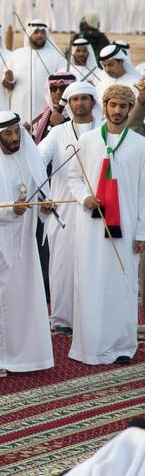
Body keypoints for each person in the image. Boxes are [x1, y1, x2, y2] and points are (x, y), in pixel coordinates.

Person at [68, 85, 145, 365]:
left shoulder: (140, 145)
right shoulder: (87, 141)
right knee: (90, 282)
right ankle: (89, 346)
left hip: (124, 228)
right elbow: (73, 178)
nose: (117, 111)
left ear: (129, 109)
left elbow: (142, 193)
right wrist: (84, 197)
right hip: (90, 226)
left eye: (124, 106)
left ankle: (122, 345)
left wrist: (142, 232)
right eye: (113, 105)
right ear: (105, 106)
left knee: (121, 284)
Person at [0, 111, 55, 378]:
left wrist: (45, 205)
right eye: (7, 134)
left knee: (24, 298)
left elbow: (41, 195)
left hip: (25, 245)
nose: (13, 138)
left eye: (16, 132)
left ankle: (27, 354)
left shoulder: (28, 160)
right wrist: (11, 210)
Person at [38, 81, 102, 333]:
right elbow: (37, 161)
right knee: (62, 266)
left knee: (93, 264)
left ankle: (91, 318)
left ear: (93, 102)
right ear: (69, 104)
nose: (79, 103)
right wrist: (42, 195)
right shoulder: (58, 133)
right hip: (62, 209)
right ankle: (62, 320)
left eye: (84, 98)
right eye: (74, 99)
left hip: (97, 208)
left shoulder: (104, 131)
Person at [4, 21, 68, 120]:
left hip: (47, 110)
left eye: (43, 32)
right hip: (21, 109)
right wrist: (9, 79)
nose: (40, 35)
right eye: (36, 32)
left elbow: (66, 82)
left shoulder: (56, 56)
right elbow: (7, 86)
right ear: (29, 34)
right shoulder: (16, 55)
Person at [31, 72, 77, 144]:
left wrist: (59, 124)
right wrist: (26, 134)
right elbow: (38, 143)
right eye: (53, 88)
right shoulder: (44, 114)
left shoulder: (78, 113)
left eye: (63, 88)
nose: (58, 92)